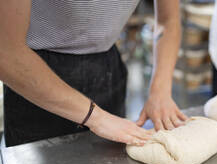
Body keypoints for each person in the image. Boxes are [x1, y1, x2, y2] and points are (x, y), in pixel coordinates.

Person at [0, 0, 187, 147]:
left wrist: (160, 91)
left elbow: (168, 21)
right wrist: (97, 118)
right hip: (35, 81)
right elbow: (6, 54)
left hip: (107, 69)